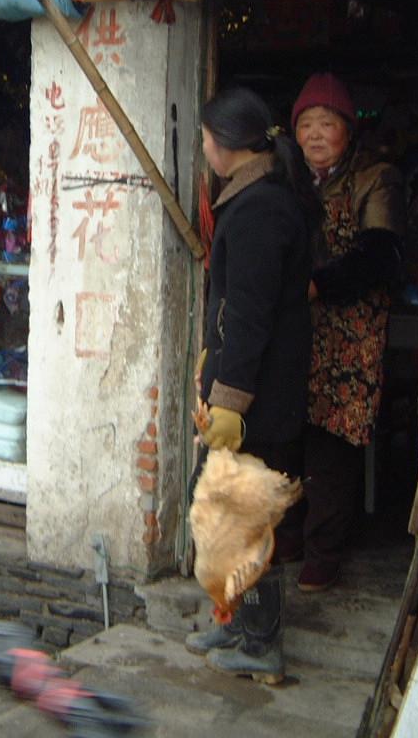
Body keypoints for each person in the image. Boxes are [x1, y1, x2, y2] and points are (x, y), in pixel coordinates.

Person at [184, 86, 318, 683]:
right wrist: (210, 362)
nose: (204, 149)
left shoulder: (261, 209)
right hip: (250, 389)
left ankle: (262, 644)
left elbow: (250, 316)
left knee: (245, 519)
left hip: (259, 400)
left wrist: (230, 401)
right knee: (221, 512)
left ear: (225, 143)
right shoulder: (252, 199)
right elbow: (231, 310)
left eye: (205, 139)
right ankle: (236, 622)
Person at [291, 73, 405, 592]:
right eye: (306, 125)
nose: (315, 135)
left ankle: (325, 552)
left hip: (350, 335)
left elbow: (381, 254)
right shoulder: (289, 180)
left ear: (348, 130)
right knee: (288, 436)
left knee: (333, 442)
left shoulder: (376, 178)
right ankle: (289, 535)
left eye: (327, 123)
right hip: (298, 330)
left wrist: (320, 284)